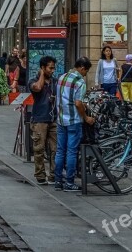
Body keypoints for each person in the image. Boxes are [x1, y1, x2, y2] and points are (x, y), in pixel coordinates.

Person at [54, 57, 95, 192]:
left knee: (60, 151)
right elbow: (78, 103)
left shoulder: (62, 77)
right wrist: (86, 117)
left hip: (61, 119)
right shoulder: (80, 82)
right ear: (82, 68)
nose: (85, 74)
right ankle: (70, 182)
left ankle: (58, 181)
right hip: (74, 121)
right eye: (86, 71)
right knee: (72, 151)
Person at [29, 55, 57, 186]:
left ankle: (53, 174)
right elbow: (38, 88)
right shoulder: (33, 81)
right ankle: (40, 175)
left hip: (53, 118)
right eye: (50, 68)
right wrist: (41, 75)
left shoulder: (55, 82)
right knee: (39, 148)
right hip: (40, 118)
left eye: (53, 68)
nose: (52, 71)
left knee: (55, 149)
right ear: (42, 68)